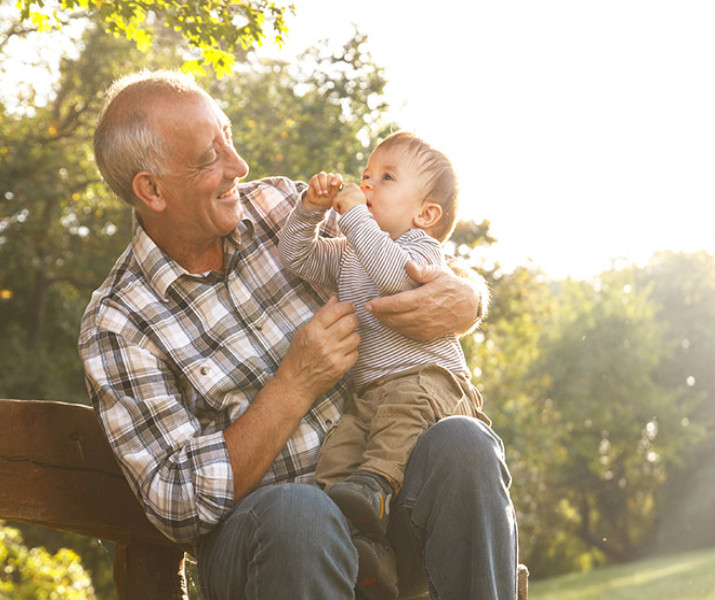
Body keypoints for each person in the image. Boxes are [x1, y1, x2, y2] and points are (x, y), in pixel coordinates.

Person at [78, 69, 518, 600]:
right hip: (269, 544)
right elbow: (176, 503)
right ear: (151, 189)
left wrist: (469, 295)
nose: (238, 167)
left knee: (464, 441)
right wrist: (293, 385)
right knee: (299, 510)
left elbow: (402, 258)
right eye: (208, 158)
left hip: (384, 506)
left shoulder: (284, 207)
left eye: (229, 138)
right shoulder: (118, 324)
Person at [277, 131, 494, 599]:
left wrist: (353, 214)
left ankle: (375, 486)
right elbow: (296, 257)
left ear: (425, 214)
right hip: (369, 394)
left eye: (386, 178)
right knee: (337, 457)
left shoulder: (421, 250)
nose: (368, 185)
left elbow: (394, 278)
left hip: (428, 382)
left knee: (396, 424)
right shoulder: (351, 250)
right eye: (365, 176)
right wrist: (311, 211)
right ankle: (368, 554)